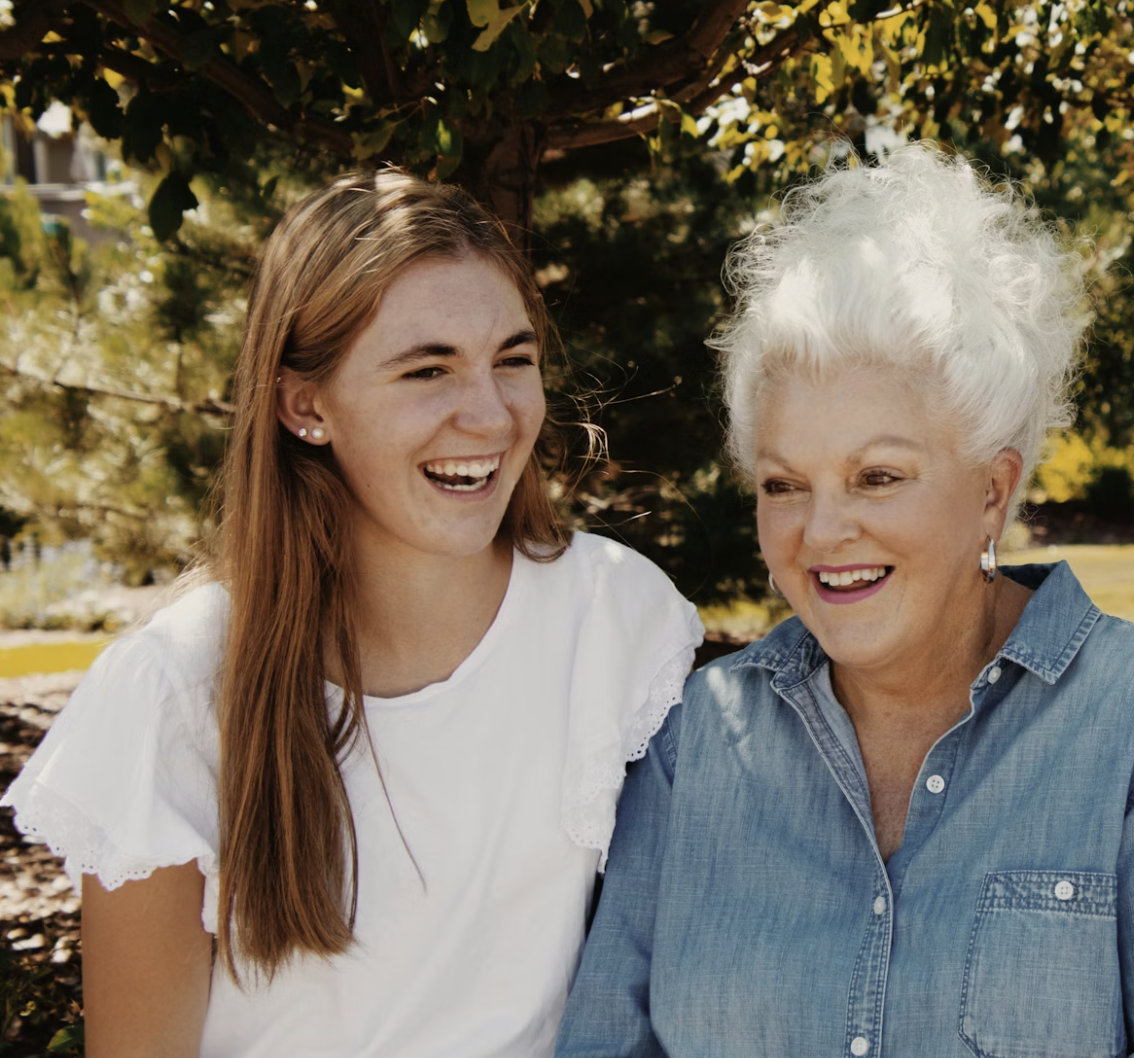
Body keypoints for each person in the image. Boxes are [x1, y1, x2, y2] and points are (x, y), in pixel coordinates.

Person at [554, 144, 1134, 1058]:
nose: (822, 533)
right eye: (784, 485)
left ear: (993, 489)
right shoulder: (693, 746)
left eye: (878, 476)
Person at [1, 172, 703, 1057]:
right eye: (428, 368)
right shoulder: (175, 689)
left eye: (513, 360)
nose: (489, 414)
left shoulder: (615, 618)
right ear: (304, 405)